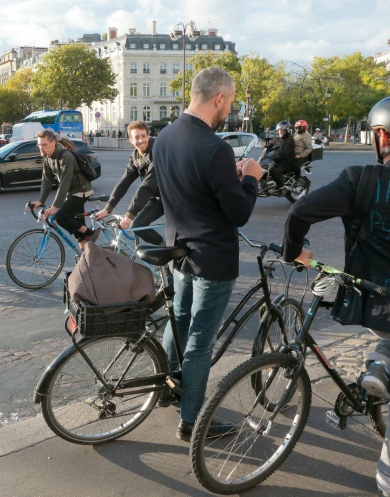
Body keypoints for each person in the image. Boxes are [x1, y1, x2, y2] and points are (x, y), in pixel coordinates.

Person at [282, 94, 390, 497]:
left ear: (381, 136)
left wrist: (294, 252)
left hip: (377, 307)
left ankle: (379, 365)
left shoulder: (360, 179)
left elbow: (299, 213)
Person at [153, 67, 264, 441]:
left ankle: (167, 389)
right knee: (201, 338)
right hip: (211, 258)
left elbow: (189, 186)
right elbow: (239, 213)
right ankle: (192, 421)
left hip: (178, 250)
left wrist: (227, 176)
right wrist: (251, 178)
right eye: (230, 103)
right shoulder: (215, 147)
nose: (229, 110)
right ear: (218, 98)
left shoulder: (165, 136)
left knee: (178, 323)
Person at [94, 121, 163, 245]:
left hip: (175, 198)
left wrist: (130, 214)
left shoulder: (158, 152)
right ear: (131, 140)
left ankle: (177, 252)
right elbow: (124, 182)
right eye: (136, 137)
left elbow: (147, 186)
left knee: (179, 234)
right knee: (137, 225)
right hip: (158, 198)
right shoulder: (136, 156)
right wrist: (108, 208)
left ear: (148, 136)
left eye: (143, 136)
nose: (141, 140)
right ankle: (166, 250)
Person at [30, 129, 98, 245]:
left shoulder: (66, 156)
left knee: (61, 217)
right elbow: (47, 180)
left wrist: (54, 207)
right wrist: (41, 201)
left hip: (81, 191)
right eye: (39, 145)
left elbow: (64, 183)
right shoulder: (48, 158)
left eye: (44, 144)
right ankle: (84, 253)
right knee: (76, 226)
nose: (41, 148)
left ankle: (91, 233)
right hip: (71, 192)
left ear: (53, 143)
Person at [269, 120, 296, 189]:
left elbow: (284, 153)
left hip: (285, 162)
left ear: (287, 130)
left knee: (275, 171)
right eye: (279, 130)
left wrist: (274, 156)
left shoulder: (290, 140)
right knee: (266, 168)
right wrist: (264, 148)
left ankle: (281, 187)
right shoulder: (277, 139)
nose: (279, 132)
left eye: (281, 130)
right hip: (277, 160)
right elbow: (270, 145)